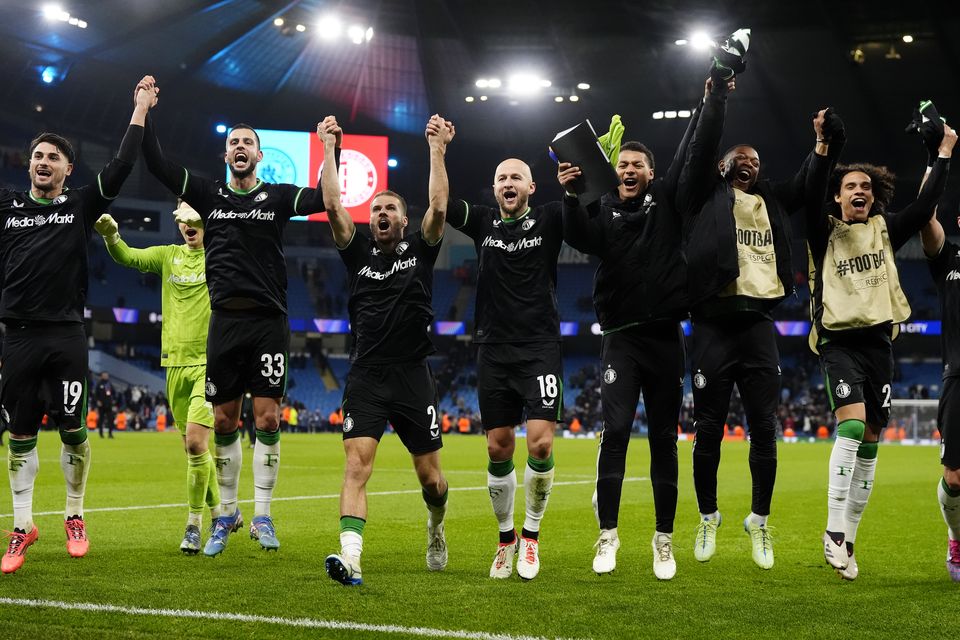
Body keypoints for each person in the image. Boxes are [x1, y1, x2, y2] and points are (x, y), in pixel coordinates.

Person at [138, 76, 338, 556]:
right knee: (224, 421)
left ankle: (263, 516)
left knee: (267, 416)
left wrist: (332, 148)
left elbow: (327, 200)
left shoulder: (277, 197)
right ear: (226, 156)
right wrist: (143, 111)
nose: (241, 147)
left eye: (248, 142)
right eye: (234, 143)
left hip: (268, 320)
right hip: (223, 322)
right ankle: (226, 516)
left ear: (259, 155)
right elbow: (159, 164)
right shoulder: (208, 195)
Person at [559, 75, 732, 580]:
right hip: (622, 339)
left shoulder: (670, 206)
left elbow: (696, 150)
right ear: (614, 174)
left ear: (652, 174)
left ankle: (663, 541)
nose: (629, 170)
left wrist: (711, 98)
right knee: (613, 432)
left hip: (664, 338)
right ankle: (607, 536)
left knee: (663, 438)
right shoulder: (603, 209)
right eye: (622, 166)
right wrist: (571, 198)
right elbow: (580, 238)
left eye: (637, 165)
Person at [680, 65, 838, 569]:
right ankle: (708, 516)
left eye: (755, 160)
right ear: (723, 167)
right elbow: (703, 147)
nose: (748, 163)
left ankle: (759, 522)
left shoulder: (769, 200)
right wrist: (716, 99)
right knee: (708, 429)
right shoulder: (705, 195)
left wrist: (822, 146)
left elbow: (807, 182)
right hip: (710, 324)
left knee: (764, 428)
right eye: (738, 159)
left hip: (756, 328)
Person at [0, 76, 152, 574]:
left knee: (72, 432)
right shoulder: (7, 206)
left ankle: (74, 514)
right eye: (37, 156)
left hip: (65, 333)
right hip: (18, 335)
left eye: (53, 158)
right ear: (30, 164)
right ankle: (23, 527)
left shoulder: (81, 206)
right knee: (19, 435)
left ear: (68, 169)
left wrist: (139, 109)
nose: (43, 163)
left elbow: (124, 164)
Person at [815, 115, 955, 580]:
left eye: (867, 187)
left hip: (879, 344)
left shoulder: (884, 229)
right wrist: (827, 145)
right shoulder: (824, 230)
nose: (860, 191)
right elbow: (814, 180)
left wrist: (943, 153)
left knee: (872, 445)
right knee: (852, 430)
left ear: (874, 197)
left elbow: (925, 205)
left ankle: (849, 540)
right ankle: (834, 531)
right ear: (837, 195)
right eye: (850, 186)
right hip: (838, 342)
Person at [321, 114, 453, 586]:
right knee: (357, 464)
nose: (381, 215)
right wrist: (328, 148)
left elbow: (438, 206)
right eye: (376, 209)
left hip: (413, 375)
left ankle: (436, 525)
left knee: (430, 479)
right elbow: (333, 205)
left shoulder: (422, 250)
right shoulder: (357, 254)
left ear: (402, 218)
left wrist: (436, 149)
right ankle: (351, 557)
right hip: (367, 375)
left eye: (390, 209)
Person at [443, 153, 563, 581]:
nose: (508, 182)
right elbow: (440, 205)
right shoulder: (482, 223)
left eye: (517, 177)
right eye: (501, 178)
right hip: (493, 349)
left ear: (532, 188)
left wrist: (587, 168)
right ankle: (506, 539)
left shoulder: (550, 218)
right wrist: (440, 152)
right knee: (497, 447)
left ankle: (531, 536)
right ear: (494, 190)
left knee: (541, 444)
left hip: (539, 347)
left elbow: (585, 211)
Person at [92, 200, 220, 554]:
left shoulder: (222, 255)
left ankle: (194, 525)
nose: (187, 225)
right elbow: (129, 257)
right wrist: (112, 237)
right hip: (174, 364)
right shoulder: (168, 255)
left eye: (194, 217)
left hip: (209, 363)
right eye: (181, 219)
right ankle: (222, 511)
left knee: (195, 443)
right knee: (193, 449)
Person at [94, 371, 116, 439]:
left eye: (107, 375)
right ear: (101, 376)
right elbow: (95, 394)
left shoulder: (109, 384)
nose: (106, 376)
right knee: (101, 420)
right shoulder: (99, 384)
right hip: (101, 405)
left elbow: (114, 393)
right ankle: (101, 434)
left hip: (109, 405)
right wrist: (97, 401)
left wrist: (113, 401)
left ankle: (110, 434)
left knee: (111, 419)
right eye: (104, 375)